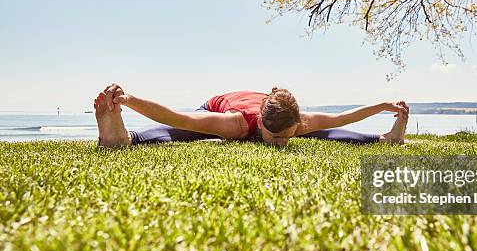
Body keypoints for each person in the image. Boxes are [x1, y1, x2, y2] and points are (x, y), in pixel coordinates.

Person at [94, 83, 409, 148]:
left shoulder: (298, 122)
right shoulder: (237, 123)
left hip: (272, 112)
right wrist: (132, 101)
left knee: (326, 132)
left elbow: (343, 119)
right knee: (191, 132)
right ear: (260, 123)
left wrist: (381, 106)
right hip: (216, 107)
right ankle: (124, 138)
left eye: (286, 136)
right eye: (274, 138)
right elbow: (181, 118)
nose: (280, 145)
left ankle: (385, 139)